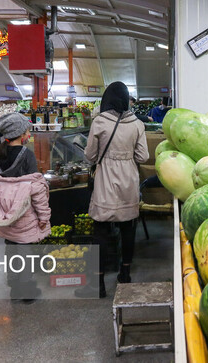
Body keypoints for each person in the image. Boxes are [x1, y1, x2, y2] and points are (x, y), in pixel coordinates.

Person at [76, 82, 149, 298]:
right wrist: (126, 156)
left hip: (105, 179)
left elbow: (89, 156)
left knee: (100, 230)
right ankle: (124, 274)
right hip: (128, 179)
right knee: (128, 227)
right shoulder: (137, 124)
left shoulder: (99, 122)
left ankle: (97, 284)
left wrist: (105, 158)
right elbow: (143, 157)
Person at [0, 111, 51, 303]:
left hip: (5, 213)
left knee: (11, 248)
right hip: (24, 213)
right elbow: (36, 190)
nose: (29, 133)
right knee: (24, 250)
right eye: (28, 130)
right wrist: (43, 217)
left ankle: (14, 288)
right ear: (22, 134)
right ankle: (27, 289)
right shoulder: (27, 155)